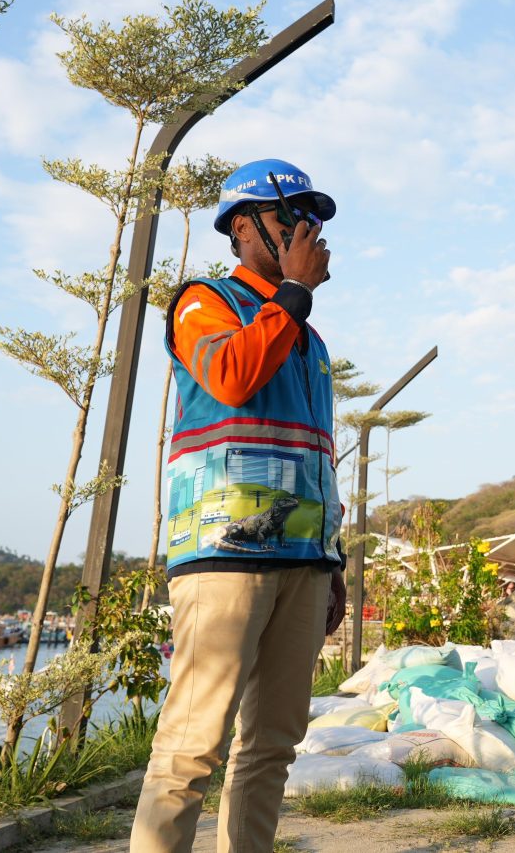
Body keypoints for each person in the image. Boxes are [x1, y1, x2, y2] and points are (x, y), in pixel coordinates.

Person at [130, 158, 347, 853]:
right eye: (291, 216)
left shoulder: (307, 339)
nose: (306, 230)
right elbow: (229, 375)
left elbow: (319, 456)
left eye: (311, 219)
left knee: (272, 746)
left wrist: (332, 559)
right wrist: (291, 296)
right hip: (224, 555)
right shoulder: (205, 300)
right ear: (242, 225)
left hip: (303, 561)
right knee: (193, 746)